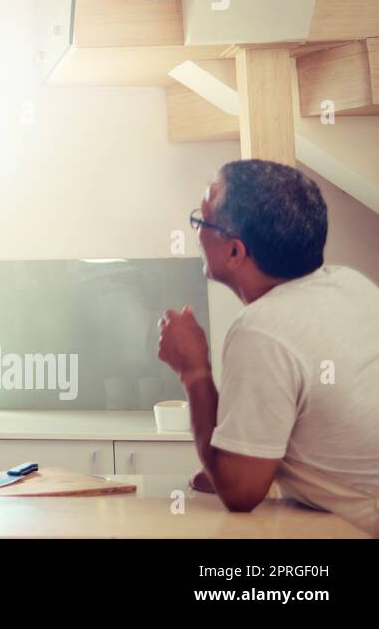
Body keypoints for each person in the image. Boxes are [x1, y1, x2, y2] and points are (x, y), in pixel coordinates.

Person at [157, 159, 379, 535]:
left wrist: (193, 370)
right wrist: (240, 457)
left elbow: (240, 493)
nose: (195, 232)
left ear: (235, 252)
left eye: (202, 221)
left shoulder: (262, 330)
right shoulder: (351, 284)